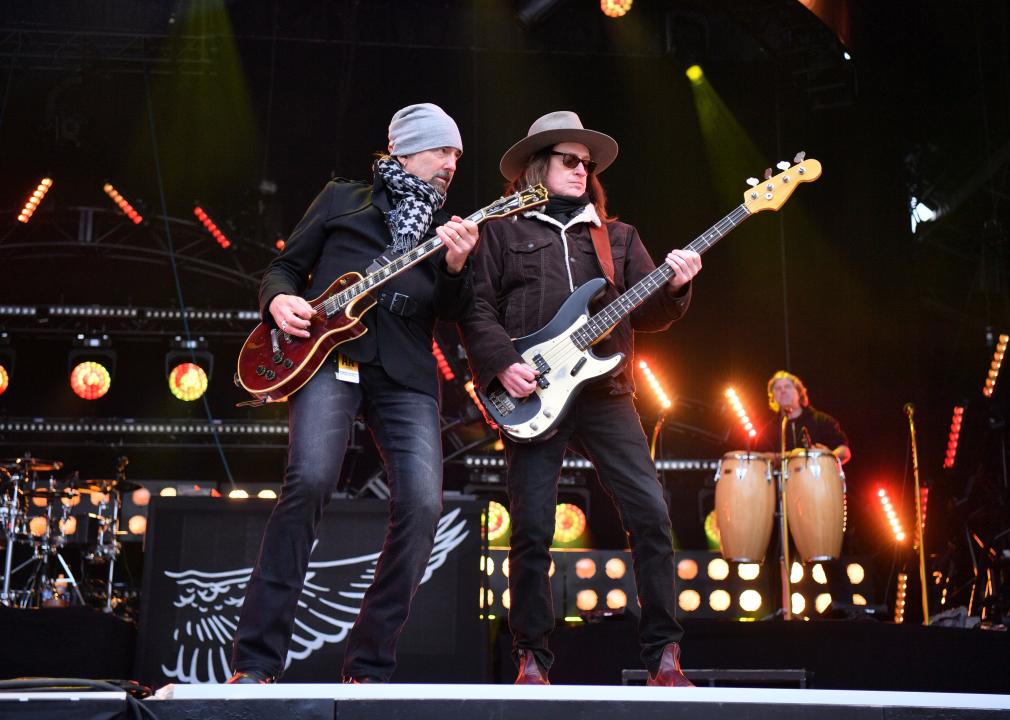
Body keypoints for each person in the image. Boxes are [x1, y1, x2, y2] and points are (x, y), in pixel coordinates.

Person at [228, 103, 478, 684]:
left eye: (458, 156)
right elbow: (285, 268)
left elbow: (454, 312)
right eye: (442, 151)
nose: (451, 164)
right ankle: (258, 661)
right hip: (327, 357)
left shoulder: (451, 232)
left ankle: (369, 665)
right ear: (404, 151)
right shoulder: (344, 199)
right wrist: (277, 301)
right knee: (310, 480)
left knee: (422, 506)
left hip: (406, 372)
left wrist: (458, 266)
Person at [460, 111, 702, 686]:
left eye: (585, 163)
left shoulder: (617, 237)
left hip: (608, 391)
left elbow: (650, 310)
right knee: (533, 529)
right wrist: (502, 364)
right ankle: (531, 658)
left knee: (649, 513)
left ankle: (664, 657)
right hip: (532, 389)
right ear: (536, 167)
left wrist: (677, 285)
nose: (581, 169)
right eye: (569, 160)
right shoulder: (501, 231)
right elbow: (476, 308)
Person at [759, 370, 851, 464]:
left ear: (799, 393)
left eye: (787, 386)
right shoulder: (768, 431)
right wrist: (790, 456)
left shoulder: (822, 420)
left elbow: (845, 451)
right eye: (777, 388)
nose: (782, 390)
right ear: (773, 397)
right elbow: (759, 458)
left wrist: (826, 456)